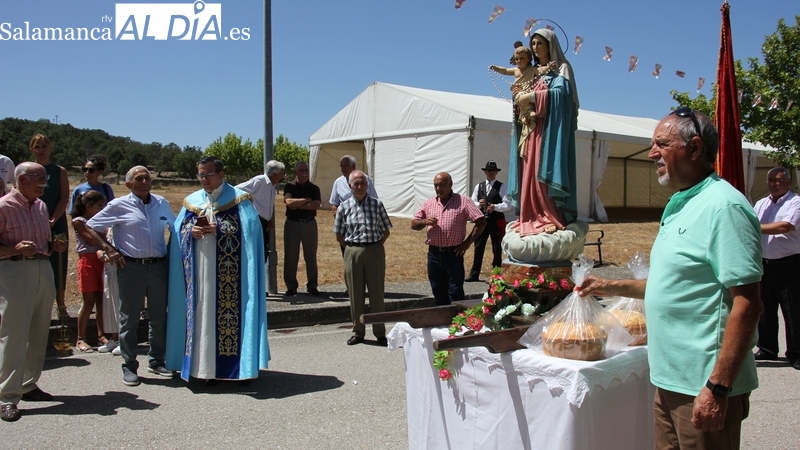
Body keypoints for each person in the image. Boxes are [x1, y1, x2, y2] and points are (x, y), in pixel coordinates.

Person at [579, 108, 763, 448]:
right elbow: (672, 286)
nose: (651, 154)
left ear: (694, 148)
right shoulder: (679, 202)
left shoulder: (723, 207)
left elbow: (748, 302)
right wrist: (607, 285)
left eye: (661, 144)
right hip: (670, 381)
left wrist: (717, 386)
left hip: (703, 385)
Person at [166, 156, 269, 384]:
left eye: (208, 174)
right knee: (201, 314)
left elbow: (251, 235)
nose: (204, 179)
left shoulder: (239, 201)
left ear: (221, 175)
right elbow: (178, 232)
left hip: (231, 277)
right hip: (199, 275)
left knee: (228, 315)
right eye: (200, 175)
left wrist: (221, 229)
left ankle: (235, 368)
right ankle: (201, 369)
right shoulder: (191, 202)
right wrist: (189, 232)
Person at [87, 166, 176, 387]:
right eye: (139, 178)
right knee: (129, 319)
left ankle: (156, 360)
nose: (145, 181)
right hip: (131, 268)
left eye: (147, 177)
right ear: (129, 184)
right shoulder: (118, 205)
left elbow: (175, 229)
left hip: (158, 267)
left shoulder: (161, 202)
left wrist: (170, 253)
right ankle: (129, 365)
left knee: (159, 317)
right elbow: (90, 226)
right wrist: (108, 249)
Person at [0, 162, 68, 422]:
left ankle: (28, 384)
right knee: (14, 334)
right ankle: (7, 396)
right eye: (38, 177)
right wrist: (15, 249)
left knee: (38, 332)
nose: (44, 182)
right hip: (14, 272)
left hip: (43, 267)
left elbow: (43, 242)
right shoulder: (4, 206)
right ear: (21, 179)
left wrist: (54, 245)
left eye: (45, 177)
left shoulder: (40, 207)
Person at [509, 28, 579, 236]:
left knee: (543, 172)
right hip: (530, 131)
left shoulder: (561, 69)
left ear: (550, 45)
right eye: (533, 43)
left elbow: (562, 96)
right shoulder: (531, 70)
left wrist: (532, 97)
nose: (536, 47)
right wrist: (519, 101)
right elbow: (520, 93)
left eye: (540, 43)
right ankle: (529, 215)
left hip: (549, 133)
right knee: (528, 172)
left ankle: (549, 214)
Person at [333, 170, 392, 346]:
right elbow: (339, 235)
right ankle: (358, 332)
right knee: (355, 294)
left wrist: (375, 245)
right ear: (350, 186)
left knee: (377, 294)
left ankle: (380, 332)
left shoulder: (377, 205)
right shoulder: (343, 207)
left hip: (374, 250)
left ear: (367, 185)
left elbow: (386, 230)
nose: (360, 186)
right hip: (353, 252)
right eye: (356, 184)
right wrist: (352, 250)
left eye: (363, 183)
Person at [412, 172, 486, 305]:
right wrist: (424, 222)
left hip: (454, 254)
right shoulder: (429, 203)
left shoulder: (463, 201)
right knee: (438, 290)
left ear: (451, 184)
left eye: (442, 185)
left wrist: (467, 243)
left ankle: (457, 322)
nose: (439, 189)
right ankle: (442, 322)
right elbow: (414, 224)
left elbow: (481, 222)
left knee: (455, 292)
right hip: (434, 254)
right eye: (436, 185)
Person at [752, 167, 800, 369]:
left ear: (787, 182)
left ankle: (797, 352)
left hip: (789, 263)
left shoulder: (795, 202)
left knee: (792, 310)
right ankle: (768, 347)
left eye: (778, 180)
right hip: (765, 264)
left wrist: (750, 225)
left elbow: (785, 226)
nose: (773, 183)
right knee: (765, 308)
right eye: (770, 180)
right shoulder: (762, 203)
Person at [29, 134, 70, 319]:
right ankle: (34, 306)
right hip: (31, 221)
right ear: (32, 150)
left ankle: (61, 306)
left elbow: (63, 197)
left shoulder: (59, 171)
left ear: (50, 148)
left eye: (44, 146)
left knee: (58, 262)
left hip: (56, 221)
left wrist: (53, 219)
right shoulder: (27, 170)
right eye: (37, 146)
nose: (41, 149)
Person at [71, 191, 112, 353]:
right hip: (87, 261)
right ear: (88, 206)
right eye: (98, 207)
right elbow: (91, 238)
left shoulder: (98, 221)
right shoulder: (79, 221)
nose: (101, 210)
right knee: (89, 301)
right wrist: (105, 233)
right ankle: (81, 338)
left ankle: (101, 334)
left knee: (102, 299)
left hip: (101, 261)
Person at [466, 161, 511, 282]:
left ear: (496, 172)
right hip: (482, 221)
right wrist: (478, 204)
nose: (490, 172)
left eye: (493, 171)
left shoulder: (502, 186)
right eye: (488, 170)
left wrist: (495, 207)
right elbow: (471, 202)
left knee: (497, 247)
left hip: (496, 221)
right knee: (478, 246)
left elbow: (507, 204)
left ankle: (496, 274)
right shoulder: (479, 186)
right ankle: (474, 273)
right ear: (485, 172)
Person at [236, 160, 285, 269]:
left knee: (262, 254)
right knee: (256, 254)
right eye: (281, 173)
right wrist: (246, 208)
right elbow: (237, 189)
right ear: (274, 174)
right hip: (256, 222)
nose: (282, 176)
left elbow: (266, 204)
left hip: (264, 223)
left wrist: (269, 218)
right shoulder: (259, 181)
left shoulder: (272, 185)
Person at [490, 42, 539, 147]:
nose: (519, 61)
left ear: (528, 59)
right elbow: (506, 70)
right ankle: (526, 115)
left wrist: (548, 67)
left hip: (528, 91)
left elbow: (540, 71)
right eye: (516, 59)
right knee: (521, 98)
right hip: (518, 93)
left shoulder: (531, 69)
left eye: (521, 58)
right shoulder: (516, 70)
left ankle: (527, 115)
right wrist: (496, 68)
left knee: (526, 100)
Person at [283, 161, 321, 296]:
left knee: (310, 256)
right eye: (301, 170)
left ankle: (312, 285)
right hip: (292, 224)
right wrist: (306, 200)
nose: (304, 173)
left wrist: (298, 204)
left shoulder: (314, 188)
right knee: (291, 256)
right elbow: (289, 203)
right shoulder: (289, 187)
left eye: (306, 170)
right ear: (296, 172)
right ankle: (291, 286)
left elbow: (316, 204)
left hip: (309, 224)